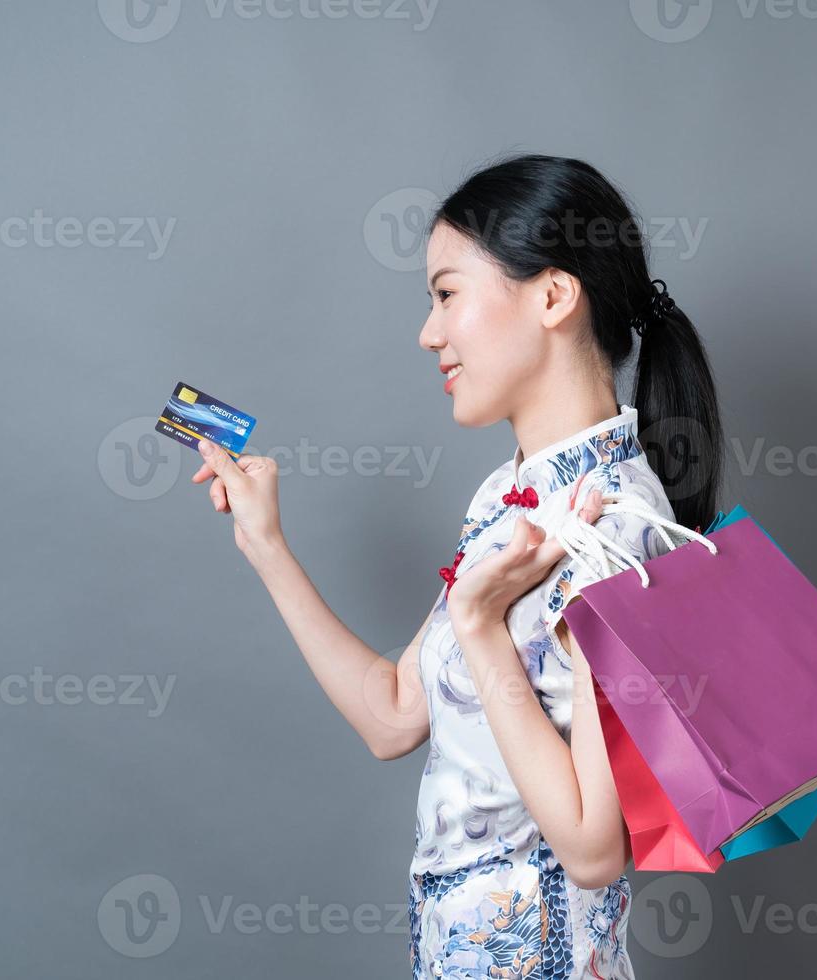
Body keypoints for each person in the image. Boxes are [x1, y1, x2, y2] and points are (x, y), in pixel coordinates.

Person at [192, 153, 725, 978]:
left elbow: (594, 847)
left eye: (447, 294)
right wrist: (266, 544)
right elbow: (395, 714)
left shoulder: (615, 522)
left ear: (553, 295)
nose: (428, 332)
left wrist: (480, 628)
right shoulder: (510, 496)